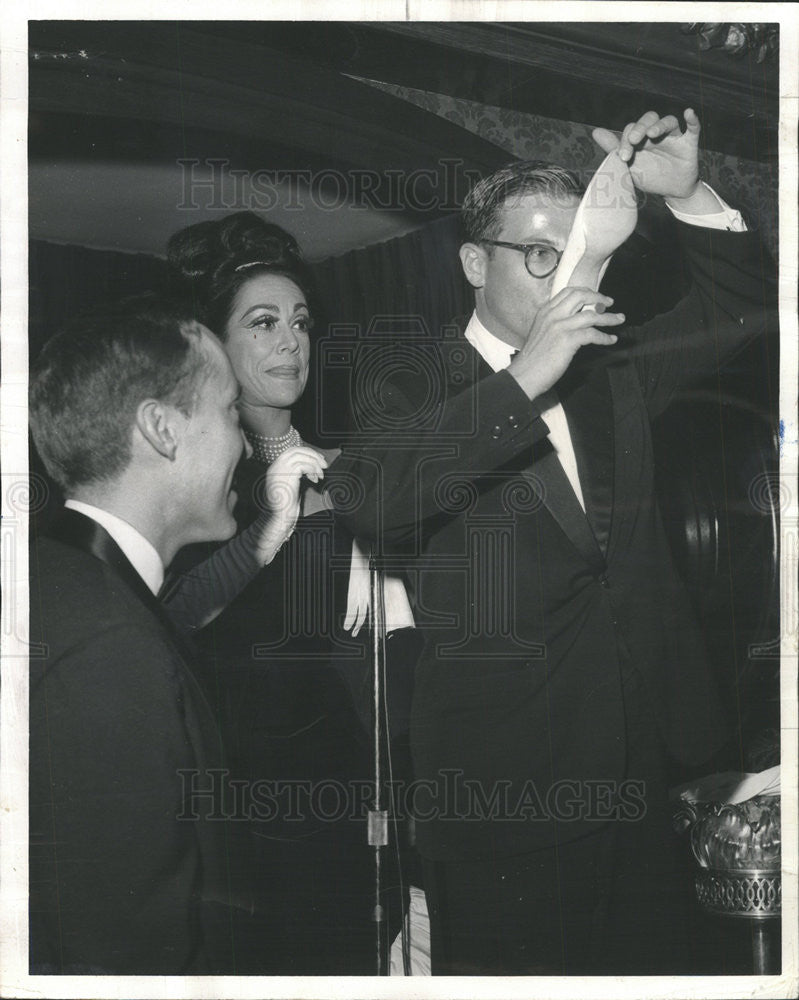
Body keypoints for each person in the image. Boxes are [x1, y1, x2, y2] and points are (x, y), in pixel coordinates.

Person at [328, 109, 776, 974]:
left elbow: (749, 312)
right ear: (472, 263)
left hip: (655, 777)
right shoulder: (406, 386)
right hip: (510, 802)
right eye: (540, 255)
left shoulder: (616, 368)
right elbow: (376, 503)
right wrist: (527, 372)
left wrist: (688, 196)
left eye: (580, 252)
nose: (568, 274)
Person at [28, 293, 325, 974]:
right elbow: (126, 956)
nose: (246, 443)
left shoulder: (65, 584)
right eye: (228, 413)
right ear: (162, 429)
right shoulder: (106, 650)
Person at [161, 214, 405, 974]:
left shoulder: (351, 461)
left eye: (298, 322)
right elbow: (171, 618)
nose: (289, 342)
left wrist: (380, 549)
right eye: (262, 323)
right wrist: (274, 525)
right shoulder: (201, 487)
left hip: (360, 769)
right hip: (250, 788)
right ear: (216, 346)